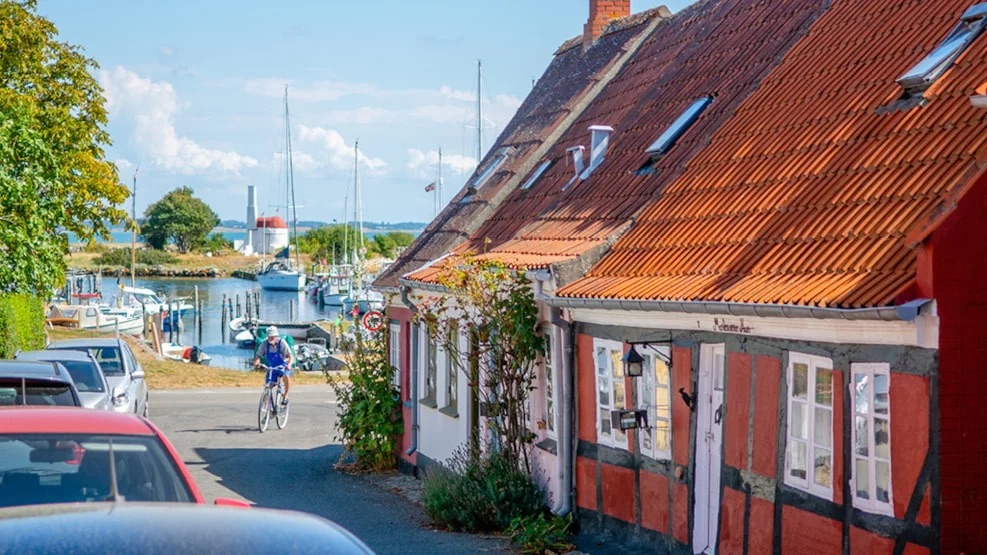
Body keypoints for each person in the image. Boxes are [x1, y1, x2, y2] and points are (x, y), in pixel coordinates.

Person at [253, 325, 293, 406]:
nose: (271, 338)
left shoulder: (282, 343)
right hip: (272, 368)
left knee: (286, 377)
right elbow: (258, 355)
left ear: (276, 336)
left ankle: (286, 395)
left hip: (283, 365)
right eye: (269, 337)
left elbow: (290, 356)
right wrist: (257, 362)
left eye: (273, 337)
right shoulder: (264, 344)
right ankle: (266, 408)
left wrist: (289, 364)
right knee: (268, 386)